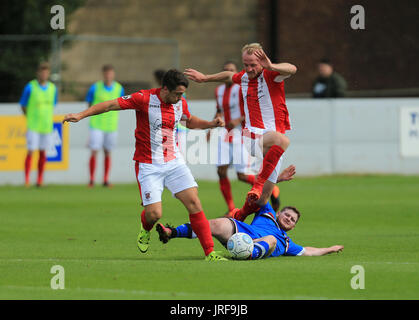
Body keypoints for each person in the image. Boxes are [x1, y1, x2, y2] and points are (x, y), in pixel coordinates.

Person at [63, 69, 228, 261]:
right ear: (165, 89)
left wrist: (210, 124)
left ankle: (210, 252)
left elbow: (189, 121)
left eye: (182, 94)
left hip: (174, 162)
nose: (180, 97)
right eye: (177, 94)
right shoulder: (143, 98)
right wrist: (81, 115)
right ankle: (145, 227)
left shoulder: (180, 102)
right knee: (154, 214)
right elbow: (110, 105)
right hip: (149, 165)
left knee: (194, 203)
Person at [184, 43, 297, 221]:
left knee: (261, 200)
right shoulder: (244, 77)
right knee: (283, 141)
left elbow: (292, 68)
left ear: (262, 62)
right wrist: (205, 78)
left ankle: (238, 217)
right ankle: (258, 185)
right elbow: (229, 75)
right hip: (253, 136)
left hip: (271, 143)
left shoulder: (272, 75)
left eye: (253, 65)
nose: (249, 69)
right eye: (246, 65)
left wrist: (271, 65)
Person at [156, 166, 344, 259]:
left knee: (270, 240)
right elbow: (263, 189)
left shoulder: (286, 242)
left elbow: (308, 251)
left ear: (293, 227)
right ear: (279, 214)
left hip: (255, 245)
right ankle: (171, 232)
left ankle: (246, 251)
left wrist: (329, 249)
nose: (288, 218)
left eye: (292, 219)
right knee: (217, 223)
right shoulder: (267, 213)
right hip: (241, 232)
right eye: (287, 214)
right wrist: (279, 179)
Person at [209, 61, 280, 213]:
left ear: (235, 73)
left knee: (241, 175)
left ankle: (271, 188)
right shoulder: (219, 90)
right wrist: (211, 126)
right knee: (221, 171)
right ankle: (230, 208)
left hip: (241, 133)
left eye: (231, 70)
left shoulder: (242, 88)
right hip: (224, 133)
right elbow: (219, 110)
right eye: (226, 70)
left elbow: (251, 110)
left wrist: (239, 119)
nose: (228, 73)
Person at [85, 64, 125, 187]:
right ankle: (91, 180)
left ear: (113, 74)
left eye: (110, 73)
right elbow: (89, 103)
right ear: (103, 74)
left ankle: (106, 179)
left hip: (111, 125)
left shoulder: (119, 88)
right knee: (94, 151)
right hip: (96, 124)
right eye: (106, 73)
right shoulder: (95, 88)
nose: (108, 76)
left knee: (108, 152)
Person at [20, 62, 58, 187]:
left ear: (48, 74)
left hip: (46, 125)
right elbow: (23, 105)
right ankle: (26, 180)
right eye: (42, 72)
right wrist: (30, 117)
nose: (44, 74)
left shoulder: (53, 88)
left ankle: (39, 180)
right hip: (33, 125)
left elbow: (53, 104)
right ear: (38, 73)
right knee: (31, 151)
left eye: (46, 72)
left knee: (43, 152)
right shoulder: (30, 87)